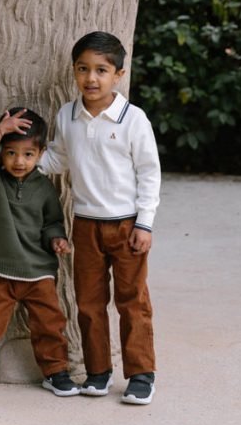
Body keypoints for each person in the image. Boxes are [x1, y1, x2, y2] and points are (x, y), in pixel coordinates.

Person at [40, 31, 161, 405]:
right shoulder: (67, 115)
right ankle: (98, 372)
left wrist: (145, 222)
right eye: (83, 69)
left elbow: (149, 172)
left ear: (118, 75)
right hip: (86, 224)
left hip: (127, 226)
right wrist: (23, 165)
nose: (91, 78)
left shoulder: (133, 119)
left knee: (132, 300)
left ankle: (141, 373)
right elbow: (58, 159)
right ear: (74, 72)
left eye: (101, 70)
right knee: (89, 302)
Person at [0, 107, 79, 406]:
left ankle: (55, 373)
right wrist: (1, 129)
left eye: (28, 154)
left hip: (38, 273)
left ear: (40, 154)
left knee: (49, 325)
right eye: (11, 153)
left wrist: (57, 240)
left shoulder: (45, 188)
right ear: (2, 154)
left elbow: (52, 222)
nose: (19, 161)